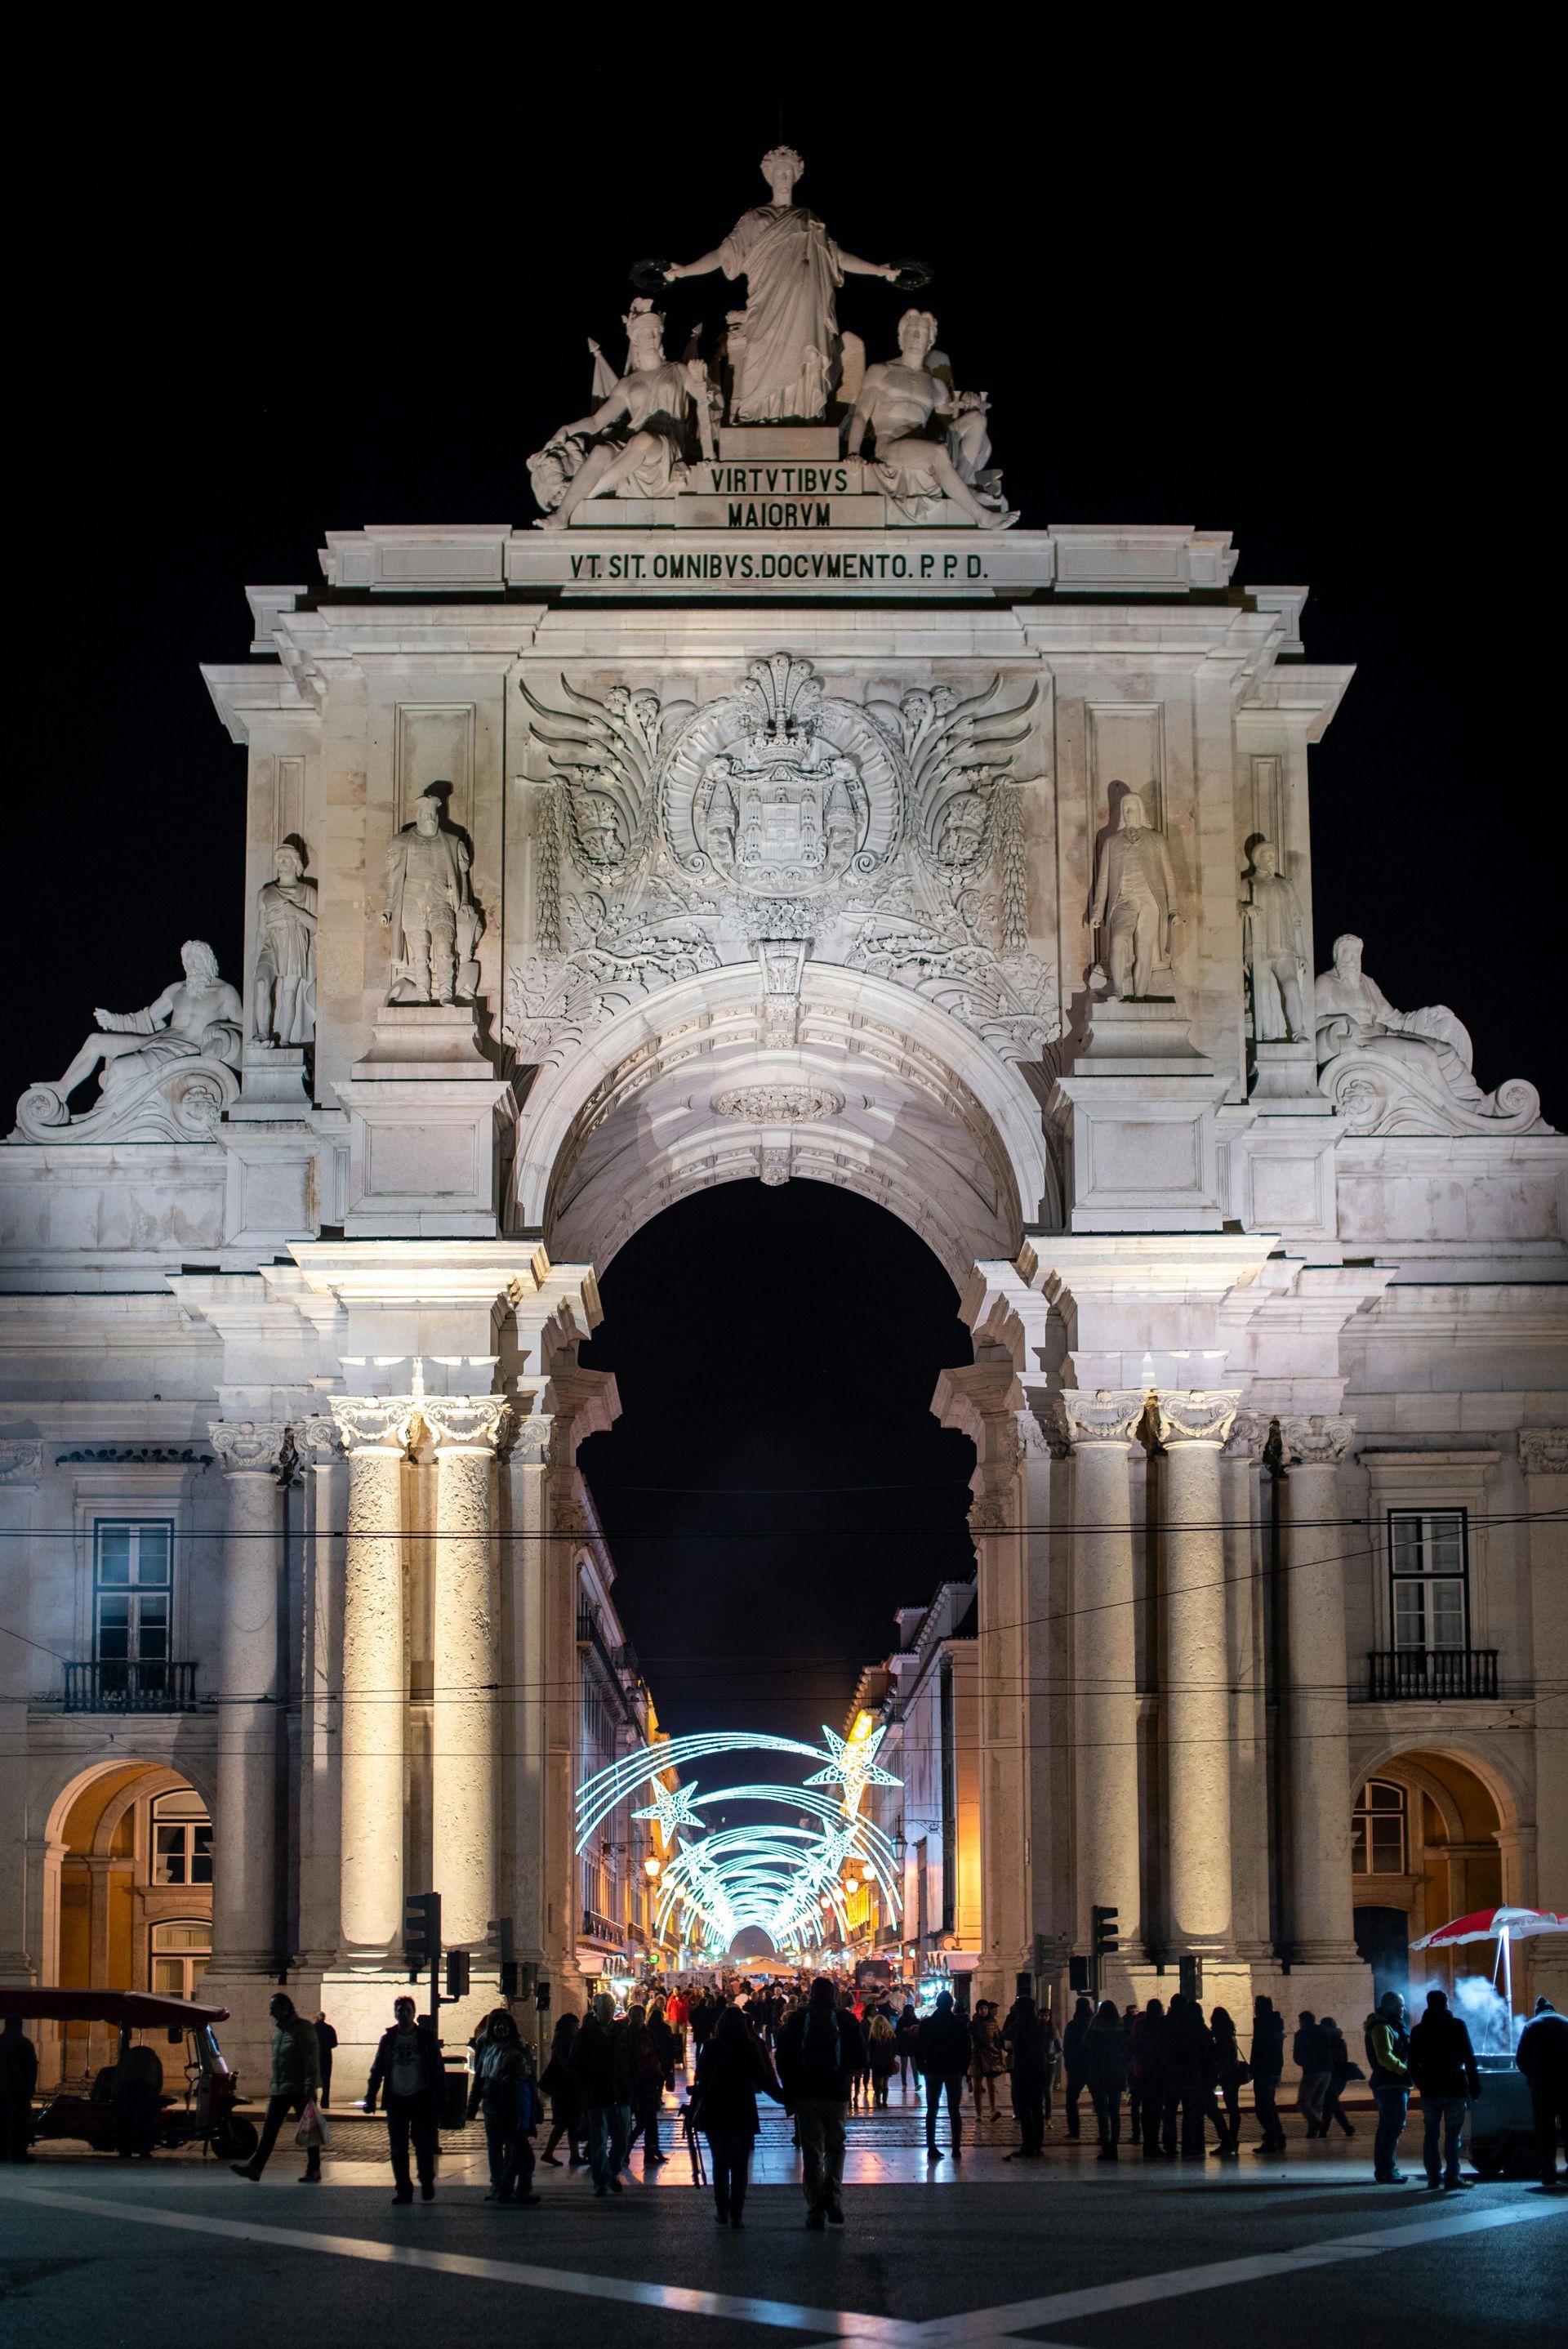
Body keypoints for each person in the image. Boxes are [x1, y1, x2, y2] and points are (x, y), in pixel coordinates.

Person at [776, 1975, 864, 2229]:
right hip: (836, 2093)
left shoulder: (798, 2018)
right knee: (835, 2148)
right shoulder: (846, 2019)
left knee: (812, 2152)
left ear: (811, 1994)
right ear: (835, 1994)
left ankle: (815, 2208)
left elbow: (782, 2057)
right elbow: (860, 2058)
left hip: (805, 2094)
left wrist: (789, 2091)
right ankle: (833, 2199)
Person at [693, 2003, 784, 2228]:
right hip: (742, 2110)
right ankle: (737, 2214)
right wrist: (786, 2100)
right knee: (740, 2166)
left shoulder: (710, 2046)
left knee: (720, 2163)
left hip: (715, 2111)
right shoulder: (748, 2047)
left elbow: (700, 2079)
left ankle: (722, 2210)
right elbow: (764, 2079)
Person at [232, 1990, 322, 2185]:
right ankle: (255, 2168)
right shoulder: (280, 2031)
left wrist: (310, 2087)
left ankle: (314, 2169)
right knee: (270, 2130)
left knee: (309, 2130)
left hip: (300, 2090)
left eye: (273, 2009)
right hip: (281, 2089)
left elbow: (311, 2059)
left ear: (285, 2008)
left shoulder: (303, 2028)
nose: (271, 2013)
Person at [365, 1995, 443, 2204]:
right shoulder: (388, 2039)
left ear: (414, 2013)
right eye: (400, 2010)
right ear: (395, 2013)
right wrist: (371, 2096)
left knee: (424, 2144)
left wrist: (439, 2099)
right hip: (396, 2099)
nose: (404, 2014)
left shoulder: (426, 2038)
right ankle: (403, 2189)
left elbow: (437, 2071)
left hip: (420, 2097)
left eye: (407, 2010)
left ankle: (426, 2181)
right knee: (398, 2147)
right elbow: (378, 2068)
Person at [466, 2010, 541, 2207]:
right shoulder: (486, 2045)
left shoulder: (517, 2047)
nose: (501, 2028)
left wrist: (536, 2106)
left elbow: (529, 2079)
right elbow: (479, 2077)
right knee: (495, 2145)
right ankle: (499, 2185)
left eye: (505, 2024)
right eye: (497, 2024)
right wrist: (472, 2105)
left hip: (511, 2105)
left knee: (514, 2148)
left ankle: (509, 2188)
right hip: (491, 2101)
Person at [1409, 1988, 1480, 2191]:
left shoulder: (1419, 2030)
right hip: (1454, 2087)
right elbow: (1469, 2058)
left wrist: (1421, 2083)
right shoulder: (1457, 2026)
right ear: (1446, 2003)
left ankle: (1433, 2177)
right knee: (1453, 2135)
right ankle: (1452, 2176)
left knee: (1431, 2134)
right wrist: (1474, 2086)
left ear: (1428, 2004)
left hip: (1430, 2089)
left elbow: (1412, 2063)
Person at [572, 1992, 633, 2198]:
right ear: (595, 2010)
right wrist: (585, 2086)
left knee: (622, 2140)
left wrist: (631, 2084)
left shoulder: (622, 2032)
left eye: (610, 2007)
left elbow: (633, 2061)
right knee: (598, 2140)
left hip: (621, 2094)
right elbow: (576, 2063)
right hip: (597, 2094)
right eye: (604, 2007)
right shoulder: (585, 2034)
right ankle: (602, 2180)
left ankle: (612, 2171)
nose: (607, 2011)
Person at [1514, 1995, 1568, 2186]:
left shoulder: (1532, 2026)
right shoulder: (1566, 2023)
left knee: (1545, 2129)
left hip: (1543, 2086)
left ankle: (1548, 2173)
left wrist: (1533, 2076)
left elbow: (1520, 2058)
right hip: (1566, 2086)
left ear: (1537, 2011)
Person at [916, 1989, 971, 2160]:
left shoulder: (927, 2024)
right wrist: (964, 2069)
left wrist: (921, 2067)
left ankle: (931, 2146)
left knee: (932, 2109)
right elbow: (966, 2049)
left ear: (938, 2004)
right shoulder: (959, 2024)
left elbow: (919, 2048)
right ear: (951, 2005)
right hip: (953, 2069)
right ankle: (956, 2147)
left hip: (933, 2069)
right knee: (954, 2110)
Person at [1365, 1988, 1412, 2183]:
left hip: (1392, 2084)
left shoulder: (1387, 2025)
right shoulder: (1382, 2027)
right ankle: (1386, 2170)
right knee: (1393, 2127)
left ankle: (1386, 2168)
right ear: (1392, 2006)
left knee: (1388, 2127)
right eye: (1401, 2005)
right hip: (1390, 2084)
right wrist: (1404, 2071)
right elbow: (1385, 2056)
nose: (1404, 2009)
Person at [1001, 1990, 1049, 2159]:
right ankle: (1038, 2145)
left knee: (1024, 2109)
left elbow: (1006, 2034)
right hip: (1039, 2068)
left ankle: (1028, 2145)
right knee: (1037, 2108)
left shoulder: (1021, 2022)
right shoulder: (1039, 2022)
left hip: (1024, 2069)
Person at [1084, 1999, 1129, 2161]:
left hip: (1098, 2071)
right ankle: (1114, 2145)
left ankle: (1105, 2145)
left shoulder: (1095, 2025)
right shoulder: (1120, 2026)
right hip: (1115, 2072)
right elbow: (1126, 2048)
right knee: (1115, 2112)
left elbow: (1086, 2045)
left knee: (1102, 2113)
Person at [539, 2012, 585, 2166]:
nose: (577, 2028)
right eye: (575, 2026)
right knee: (565, 2121)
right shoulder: (566, 2040)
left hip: (565, 2087)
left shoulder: (562, 2038)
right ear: (569, 2026)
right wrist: (577, 2076)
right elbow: (567, 2062)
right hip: (566, 2088)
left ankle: (573, 2154)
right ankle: (553, 2153)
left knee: (569, 2122)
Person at [626, 2001, 667, 2166]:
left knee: (651, 2119)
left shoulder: (648, 2032)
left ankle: (652, 2150)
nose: (637, 2018)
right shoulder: (627, 2034)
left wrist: (661, 2070)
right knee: (642, 2120)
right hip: (635, 2082)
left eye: (640, 2015)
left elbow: (656, 2052)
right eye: (634, 2015)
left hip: (649, 2080)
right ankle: (627, 2148)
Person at [1250, 1995, 1287, 2153]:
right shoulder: (1274, 2025)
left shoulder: (1264, 2025)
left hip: (1264, 2070)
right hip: (1271, 2070)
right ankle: (1277, 2137)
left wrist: (1254, 2068)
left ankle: (1272, 2139)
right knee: (1269, 2106)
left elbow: (1261, 2050)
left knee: (1263, 2107)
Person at [1131, 1999, 1169, 2158]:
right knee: (1157, 2109)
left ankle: (1148, 2143)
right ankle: (1154, 2144)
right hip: (1159, 2073)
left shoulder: (1139, 2025)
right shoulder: (1163, 2025)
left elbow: (1133, 2044)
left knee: (1146, 2110)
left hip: (1142, 2072)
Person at [1209, 2006, 1245, 2157]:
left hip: (1228, 2076)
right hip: (1233, 2075)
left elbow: (1223, 2058)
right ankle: (1232, 2140)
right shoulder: (1230, 2035)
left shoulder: (1222, 2038)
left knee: (1232, 2108)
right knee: (1233, 2108)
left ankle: (1229, 2141)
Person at [0, 2014, 38, 2161]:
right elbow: (31, 2069)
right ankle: (18, 2153)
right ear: (20, 2025)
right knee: (18, 2123)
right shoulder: (25, 2044)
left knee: (1, 2122)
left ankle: (1, 2152)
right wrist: (30, 2090)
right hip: (18, 2092)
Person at [1318, 2017, 1357, 2140]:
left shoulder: (1326, 2042)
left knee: (1331, 2104)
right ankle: (1326, 2131)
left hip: (1332, 2076)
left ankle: (1342, 2128)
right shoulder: (1340, 2041)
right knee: (1330, 2104)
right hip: (1339, 2077)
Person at [1294, 2009, 1331, 2137]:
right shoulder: (1324, 2031)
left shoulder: (1301, 2034)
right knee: (1317, 2103)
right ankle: (1312, 2133)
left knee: (1303, 2102)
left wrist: (1305, 2062)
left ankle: (1316, 2122)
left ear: (1303, 2021)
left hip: (1311, 2071)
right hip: (1327, 2070)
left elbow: (1297, 2056)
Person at [1062, 1995, 1094, 2142]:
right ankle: (1104, 2132)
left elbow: (1067, 2047)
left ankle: (1074, 2130)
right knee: (1099, 2101)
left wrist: (1069, 2064)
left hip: (1076, 2068)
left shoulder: (1073, 2025)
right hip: (1092, 2067)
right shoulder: (1094, 2024)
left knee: (1071, 2100)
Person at [970, 1999, 1005, 2121]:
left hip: (991, 2055)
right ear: (978, 2010)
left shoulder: (993, 2023)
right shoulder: (973, 2024)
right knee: (977, 2086)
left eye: (985, 2008)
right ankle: (978, 2113)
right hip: (977, 2056)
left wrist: (1000, 2056)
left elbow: (997, 2040)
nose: (984, 2011)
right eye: (981, 2009)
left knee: (991, 2084)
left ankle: (993, 2109)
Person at [867, 2009, 897, 2107]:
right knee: (886, 2082)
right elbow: (894, 2049)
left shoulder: (874, 2036)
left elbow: (871, 2049)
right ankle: (885, 2102)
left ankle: (878, 2101)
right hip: (888, 2061)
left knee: (877, 2081)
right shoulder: (891, 2035)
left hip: (877, 2061)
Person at [894, 1998, 920, 2095]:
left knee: (913, 2066)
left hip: (910, 2045)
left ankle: (915, 2084)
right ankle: (905, 2084)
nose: (911, 2013)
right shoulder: (903, 2020)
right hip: (906, 2045)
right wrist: (904, 2030)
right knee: (905, 2066)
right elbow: (897, 2032)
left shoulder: (913, 2020)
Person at [314, 2012, 337, 2110]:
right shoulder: (330, 2028)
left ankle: (313, 2102)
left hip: (315, 2058)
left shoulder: (312, 2028)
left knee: (313, 2082)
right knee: (326, 2082)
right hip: (327, 2057)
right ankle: (325, 2103)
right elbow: (334, 2044)